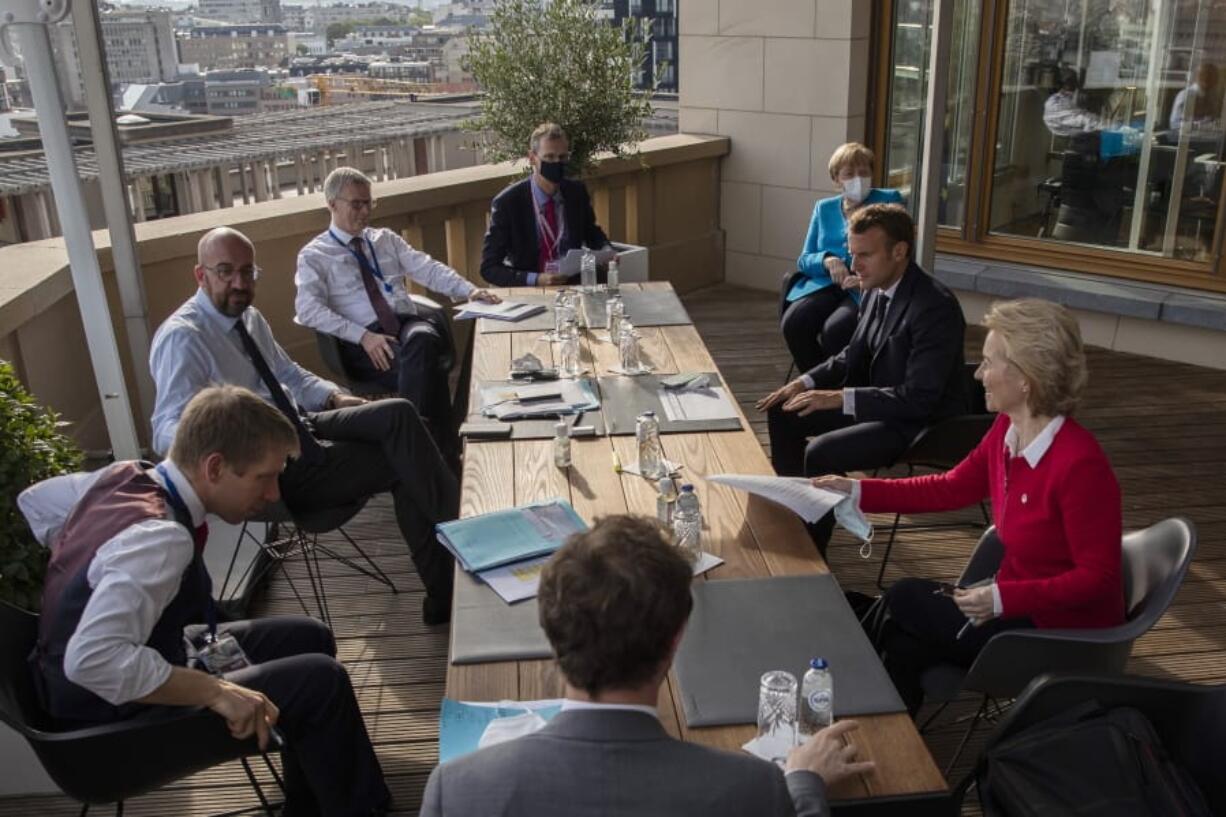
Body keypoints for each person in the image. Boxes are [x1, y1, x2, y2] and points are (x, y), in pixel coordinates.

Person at [20, 386, 392, 816]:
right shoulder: (158, 539)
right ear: (214, 467)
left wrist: (84, 569)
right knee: (320, 682)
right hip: (106, 728)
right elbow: (92, 662)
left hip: (86, 687)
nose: (274, 494)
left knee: (310, 638)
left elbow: (35, 502)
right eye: (264, 477)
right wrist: (213, 690)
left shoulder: (125, 476)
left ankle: (309, 804)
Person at [420, 515, 874, 816]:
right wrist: (805, 785)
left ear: (550, 632)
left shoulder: (456, 790)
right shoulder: (754, 789)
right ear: (676, 638)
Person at [813, 299, 1124, 715]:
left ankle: (826, 692)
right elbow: (949, 487)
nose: (978, 374)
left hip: (1054, 634)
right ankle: (882, 745)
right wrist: (857, 492)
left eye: (989, 362)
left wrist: (1002, 599)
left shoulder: (1080, 464)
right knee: (902, 645)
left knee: (904, 598)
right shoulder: (1007, 428)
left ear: (1026, 377)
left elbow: (1098, 580)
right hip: (1008, 606)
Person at [150, 226, 458, 626]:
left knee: (399, 413)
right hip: (277, 468)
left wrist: (334, 397)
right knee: (404, 460)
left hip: (303, 425)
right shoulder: (184, 339)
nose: (239, 283)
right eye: (226, 272)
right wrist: (233, 448)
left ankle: (459, 544)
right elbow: (165, 431)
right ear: (200, 275)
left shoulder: (250, 318)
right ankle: (450, 584)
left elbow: (290, 376)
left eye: (247, 272)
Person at [757, 204, 967, 558]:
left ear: (899, 251)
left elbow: (918, 399)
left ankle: (810, 551)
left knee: (822, 452)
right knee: (784, 410)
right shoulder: (875, 287)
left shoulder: (935, 307)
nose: (854, 267)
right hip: (880, 403)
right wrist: (805, 383)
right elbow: (851, 354)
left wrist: (839, 398)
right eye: (852, 254)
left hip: (920, 422)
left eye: (864, 255)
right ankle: (796, 513)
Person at [294, 166, 501, 463]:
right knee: (424, 357)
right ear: (332, 204)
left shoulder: (384, 239)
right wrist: (363, 336)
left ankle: (418, 449)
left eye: (369, 203)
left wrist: (469, 290)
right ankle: (441, 446)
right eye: (357, 204)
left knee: (422, 340)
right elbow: (307, 309)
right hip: (365, 341)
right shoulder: (314, 256)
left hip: (405, 326)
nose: (365, 211)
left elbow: (425, 267)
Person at [782, 143, 904, 372]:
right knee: (794, 323)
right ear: (836, 179)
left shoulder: (889, 201)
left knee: (835, 331)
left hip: (865, 288)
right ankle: (815, 383)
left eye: (864, 172)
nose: (858, 178)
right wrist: (827, 260)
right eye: (849, 173)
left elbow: (898, 254)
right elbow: (804, 258)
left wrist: (867, 281)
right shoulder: (824, 208)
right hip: (827, 284)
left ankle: (839, 390)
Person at [479, 122, 612, 287]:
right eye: (549, 157)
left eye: (562, 157)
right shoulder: (508, 202)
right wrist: (536, 279)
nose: (557, 162)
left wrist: (606, 251)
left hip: (573, 285)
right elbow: (489, 268)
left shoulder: (575, 192)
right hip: (531, 289)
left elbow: (591, 233)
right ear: (532, 158)